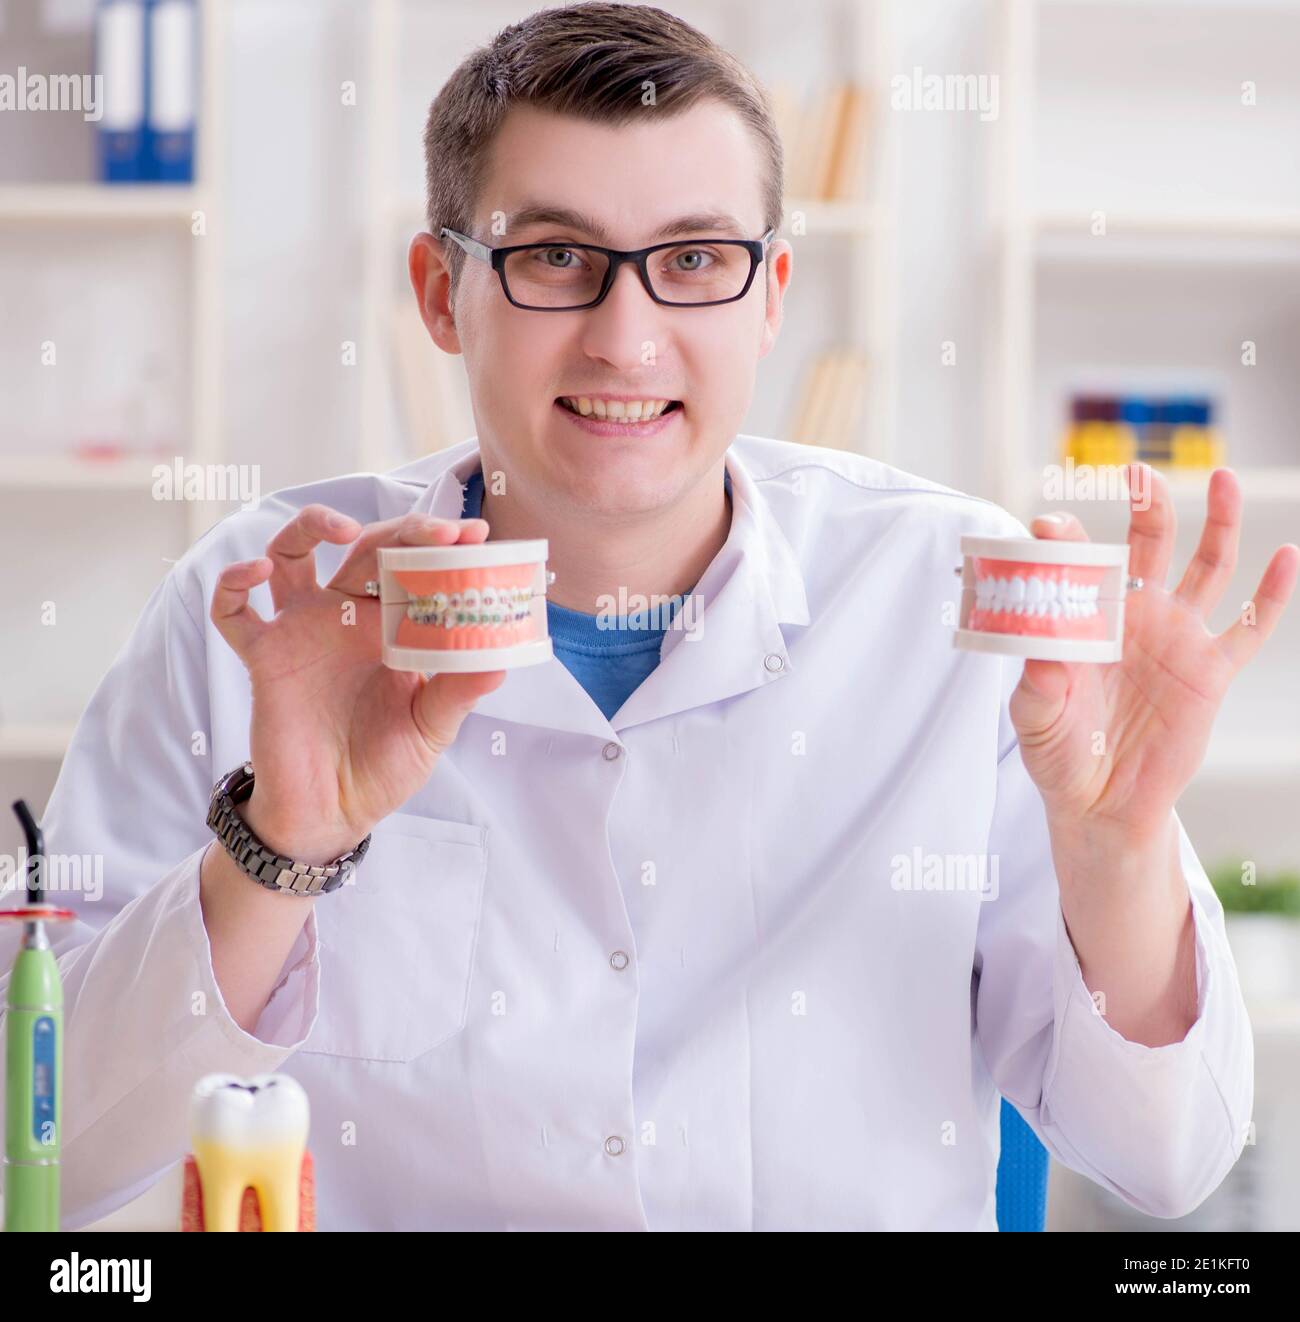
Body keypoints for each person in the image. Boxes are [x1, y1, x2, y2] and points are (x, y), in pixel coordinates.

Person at [4, 2, 1295, 1231]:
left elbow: (1169, 1159)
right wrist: (279, 842)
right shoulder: (269, 609)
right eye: (555, 256)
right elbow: (51, 1165)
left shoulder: (968, 610)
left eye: (694, 260)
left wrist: (1116, 846)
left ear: (774, 290)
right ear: (443, 292)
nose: (628, 341)